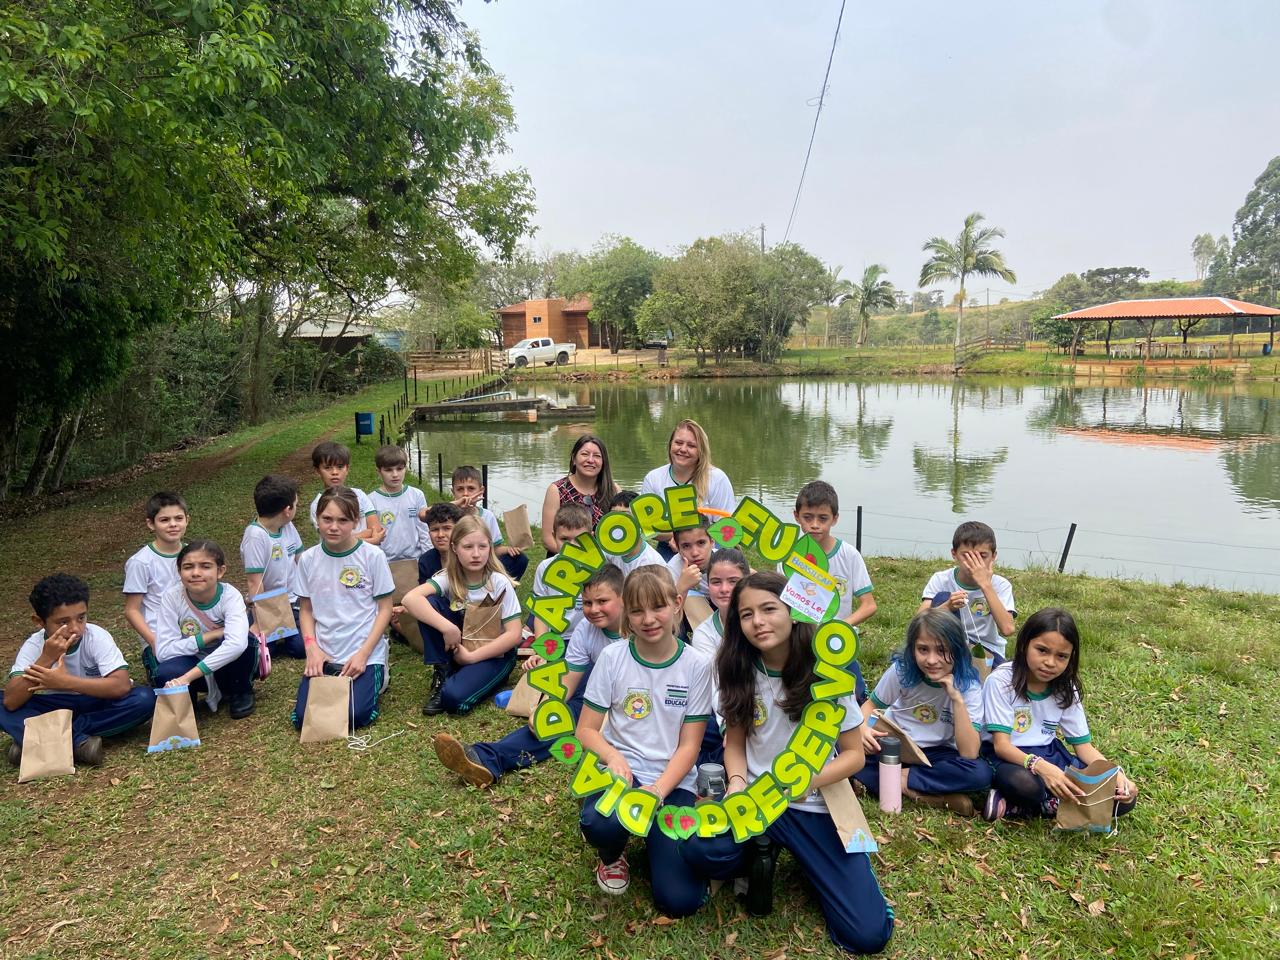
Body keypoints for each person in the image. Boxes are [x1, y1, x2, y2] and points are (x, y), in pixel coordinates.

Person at [680, 571, 894, 956]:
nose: (758, 621)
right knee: (700, 849)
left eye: (768, 609)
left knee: (868, 935)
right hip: (757, 798)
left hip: (812, 802)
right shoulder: (736, 667)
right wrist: (738, 783)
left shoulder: (827, 675)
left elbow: (854, 756)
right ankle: (760, 849)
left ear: (794, 611)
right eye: (746, 615)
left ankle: (807, 860)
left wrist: (804, 782)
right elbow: (736, 742)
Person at [576, 566, 711, 914]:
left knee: (679, 901)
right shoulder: (612, 657)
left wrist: (658, 791)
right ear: (626, 613)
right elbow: (587, 730)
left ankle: (659, 841)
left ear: (677, 604)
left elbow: (690, 746)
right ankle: (612, 855)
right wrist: (612, 757)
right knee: (598, 824)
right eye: (637, 610)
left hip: (672, 780)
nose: (648, 619)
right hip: (622, 774)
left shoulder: (697, 665)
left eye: (658, 607)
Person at [432, 564, 626, 788]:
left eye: (603, 601)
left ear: (623, 598)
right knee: (559, 718)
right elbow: (569, 680)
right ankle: (486, 758)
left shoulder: (638, 629)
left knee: (582, 705)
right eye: (588, 603)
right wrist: (547, 710)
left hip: (635, 704)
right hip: (596, 700)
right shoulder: (585, 628)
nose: (593, 609)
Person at [981, 608, 1138, 822]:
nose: (1050, 662)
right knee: (1026, 785)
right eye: (1042, 650)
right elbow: (1001, 746)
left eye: (1061, 656)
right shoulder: (1000, 681)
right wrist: (1043, 768)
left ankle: (1026, 807)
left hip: (1050, 752)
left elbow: (1084, 748)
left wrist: (1115, 774)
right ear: (1024, 644)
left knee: (1123, 799)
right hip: (1009, 757)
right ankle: (1048, 802)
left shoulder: (1066, 687)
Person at [3, 574, 155, 768]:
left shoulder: (96, 637)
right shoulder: (34, 646)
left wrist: (65, 682)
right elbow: (11, 701)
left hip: (97, 702)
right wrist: (46, 658)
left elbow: (121, 685)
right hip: (58, 707)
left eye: (81, 618)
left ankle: (38, 740)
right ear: (39, 621)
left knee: (144, 698)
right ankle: (78, 743)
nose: (75, 628)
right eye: (63, 622)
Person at [855, 609, 991, 816]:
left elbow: (969, 752)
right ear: (912, 650)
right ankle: (928, 794)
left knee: (980, 774)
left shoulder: (969, 686)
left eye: (942, 650)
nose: (932, 660)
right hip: (894, 744)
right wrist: (863, 728)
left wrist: (956, 698)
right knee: (847, 750)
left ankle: (897, 781)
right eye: (923, 649)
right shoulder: (902, 671)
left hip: (937, 753)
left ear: (958, 650)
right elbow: (870, 706)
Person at [292, 487, 394, 731]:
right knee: (303, 718)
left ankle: (380, 674)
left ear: (356, 521)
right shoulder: (308, 559)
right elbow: (305, 610)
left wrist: (364, 653)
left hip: (363, 654)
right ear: (317, 520)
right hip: (324, 653)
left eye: (343, 520)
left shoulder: (373, 556)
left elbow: (385, 609)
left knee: (354, 716)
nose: (333, 527)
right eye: (327, 519)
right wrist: (312, 648)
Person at [402, 515, 522, 716]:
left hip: (494, 655)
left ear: (490, 548)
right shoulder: (447, 578)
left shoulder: (499, 583)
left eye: (482, 547)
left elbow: (514, 635)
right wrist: (447, 627)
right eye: (468, 547)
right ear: (455, 548)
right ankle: (444, 670)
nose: (476, 554)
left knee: (454, 700)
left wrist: (471, 658)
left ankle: (467, 677)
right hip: (458, 648)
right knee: (429, 603)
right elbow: (410, 599)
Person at [788, 480, 875, 702]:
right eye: (808, 517)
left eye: (823, 518)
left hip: (837, 642)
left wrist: (840, 626)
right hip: (800, 640)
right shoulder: (790, 557)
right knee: (802, 697)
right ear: (796, 516)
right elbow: (782, 600)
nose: (815, 525)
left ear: (835, 519)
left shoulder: (849, 555)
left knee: (855, 699)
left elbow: (869, 605)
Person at [153, 540, 257, 719]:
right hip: (192, 664)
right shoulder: (171, 598)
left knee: (248, 643)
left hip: (226, 667)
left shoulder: (230, 596)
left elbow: (236, 645)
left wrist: (188, 677)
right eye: (188, 567)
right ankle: (186, 704)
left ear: (220, 571)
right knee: (166, 671)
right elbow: (163, 651)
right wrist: (207, 637)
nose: (195, 573)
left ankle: (240, 691)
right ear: (179, 572)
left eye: (205, 566)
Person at [917, 520, 1015, 667]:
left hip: (986, 648)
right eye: (966, 556)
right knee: (942, 597)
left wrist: (986, 586)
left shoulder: (1000, 585)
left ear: (994, 556)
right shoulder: (941, 579)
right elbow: (918, 623)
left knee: (1002, 681)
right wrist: (947, 606)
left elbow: (1007, 629)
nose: (974, 563)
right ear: (954, 554)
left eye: (982, 556)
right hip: (945, 644)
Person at [688, 548, 749, 766]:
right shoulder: (704, 634)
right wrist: (729, 727)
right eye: (716, 582)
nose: (725, 589)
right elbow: (716, 686)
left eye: (733, 581)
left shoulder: (760, 622)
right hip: (728, 709)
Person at [640, 419, 735, 559]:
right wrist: (674, 538)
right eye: (678, 443)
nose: (683, 449)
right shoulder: (653, 478)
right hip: (670, 546)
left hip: (710, 544)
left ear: (701, 450)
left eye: (691, 445)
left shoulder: (717, 478)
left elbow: (727, 526)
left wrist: (699, 544)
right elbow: (647, 528)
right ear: (670, 444)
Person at [123, 491, 189, 682]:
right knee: (170, 679)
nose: (173, 524)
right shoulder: (141, 562)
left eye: (178, 518)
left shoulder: (193, 555)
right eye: (164, 520)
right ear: (151, 524)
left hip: (192, 630)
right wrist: (154, 642)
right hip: (159, 635)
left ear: (187, 520)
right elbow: (131, 610)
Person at [240, 474, 305, 658]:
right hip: (269, 605)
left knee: (300, 649)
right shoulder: (255, 536)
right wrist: (261, 619)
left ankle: (288, 632)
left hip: (292, 603)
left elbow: (301, 559)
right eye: (296, 504)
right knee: (266, 650)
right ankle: (261, 630)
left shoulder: (288, 526)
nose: (296, 508)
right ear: (287, 509)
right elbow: (255, 582)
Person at [444, 465, 528, 582]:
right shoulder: (447, 516)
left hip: (482, 561)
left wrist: (508, 549)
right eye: (460, 489)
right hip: (456, 562)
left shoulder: (488, 516)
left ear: (481, 491)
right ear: (453, 492)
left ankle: (501, 590)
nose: (465, 494)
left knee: (520, 559)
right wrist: (452, 505)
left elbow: (495, 548)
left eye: (471, 488)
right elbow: (426, 514)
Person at [539, 435, 618, 552]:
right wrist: (578, 558)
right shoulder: (557, 490)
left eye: (597, 456)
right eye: (585, 454)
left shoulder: (613, 489)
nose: (590, 460)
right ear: (574, 459)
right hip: (565, 560)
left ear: (603, 462)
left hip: (605, 560)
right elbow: (548, 539)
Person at [529, 504, 594, 640]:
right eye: (564, 539)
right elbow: (541, 616)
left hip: (591, 636)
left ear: (591, 538)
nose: (572, 545)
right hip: (558, 638)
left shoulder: (600, 568)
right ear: (554, 537)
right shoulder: (545, 568)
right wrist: (542, 650)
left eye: (579, 539)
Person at [308, 441, 384, 545]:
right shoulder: (317, 504)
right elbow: (332, 541)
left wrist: (347, 539)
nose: (335, 472)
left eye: (340, 467)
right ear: (317, 471)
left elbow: (376, 529)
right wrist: (371, 539)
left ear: (347, 469)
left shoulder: (359, 495)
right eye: (327, 467)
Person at [369, 445, 429, 563]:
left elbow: (424, 530)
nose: (395, 474)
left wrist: (428, 559)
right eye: (388, 470)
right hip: (385, 562)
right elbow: (372, 535)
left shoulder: (416, 495)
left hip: (415, 560)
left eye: (399, 469)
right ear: (379, 471)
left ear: (405, 468)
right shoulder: (371, 500)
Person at [605, 492, 666, 576]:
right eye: (613, 515)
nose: (618, 522)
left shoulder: (651, 563)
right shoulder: (610, 550)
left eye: (626, 516)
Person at [667, 517, 713, 609]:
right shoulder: (672, 570)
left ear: (712, 542)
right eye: (686, 546)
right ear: (678, 549)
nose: (695, 553)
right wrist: (681, 586)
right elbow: (666, 610)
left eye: (701, 543)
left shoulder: (727, 561)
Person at [416, 502, 464, 584]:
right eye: (435, 529)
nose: (440, 535)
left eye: (447, 528)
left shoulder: (468, 557)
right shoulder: (426, 561)